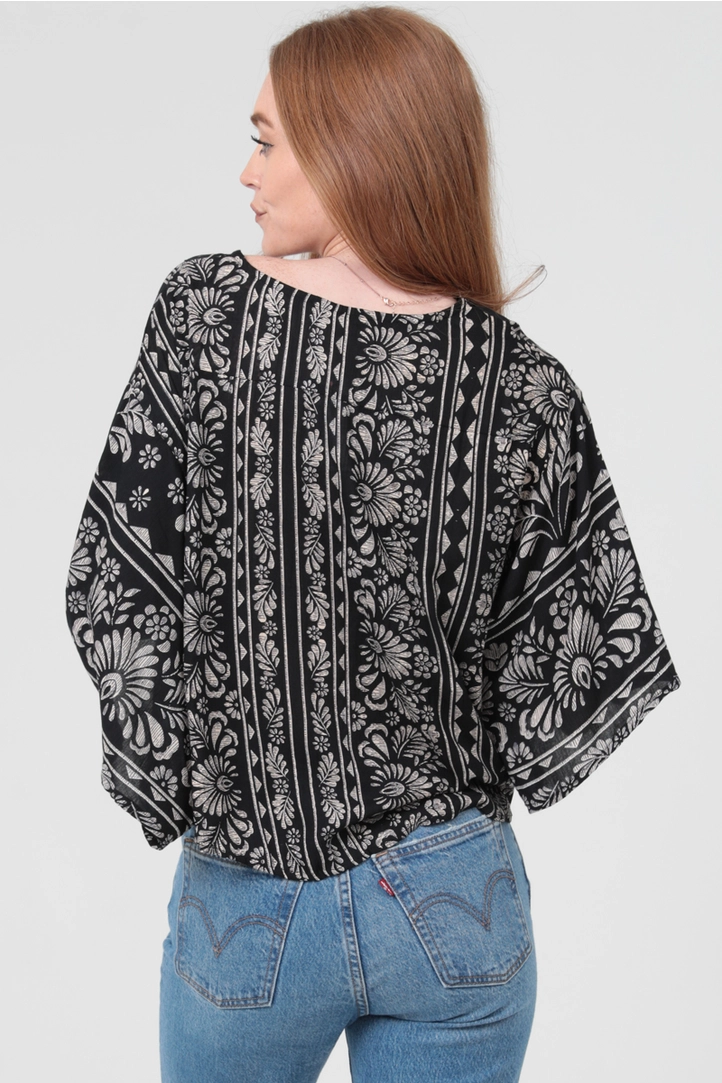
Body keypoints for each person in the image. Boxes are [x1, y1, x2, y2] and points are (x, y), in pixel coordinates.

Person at [64, 6, 680, 1082]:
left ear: (353, 144)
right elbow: (572, 660)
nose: (245, 172)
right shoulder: (519, 380)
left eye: (265, 141)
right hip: (454, 898)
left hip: (249, 893)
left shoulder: (203, 316)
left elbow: (116, 583)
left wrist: (175, 774)